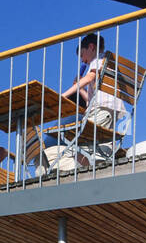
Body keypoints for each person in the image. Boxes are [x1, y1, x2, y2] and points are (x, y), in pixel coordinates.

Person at [39, 33, 130, 171]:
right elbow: (91, 100)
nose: (83, 60)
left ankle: (83, 172)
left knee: (83, 144)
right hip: (106, 110)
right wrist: (80, 88)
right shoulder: (107, 64)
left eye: (82, 55)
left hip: (101, 110)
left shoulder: (99, 60)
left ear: (91, 47)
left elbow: (89, 78)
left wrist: (63, 95)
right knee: (91, 146)